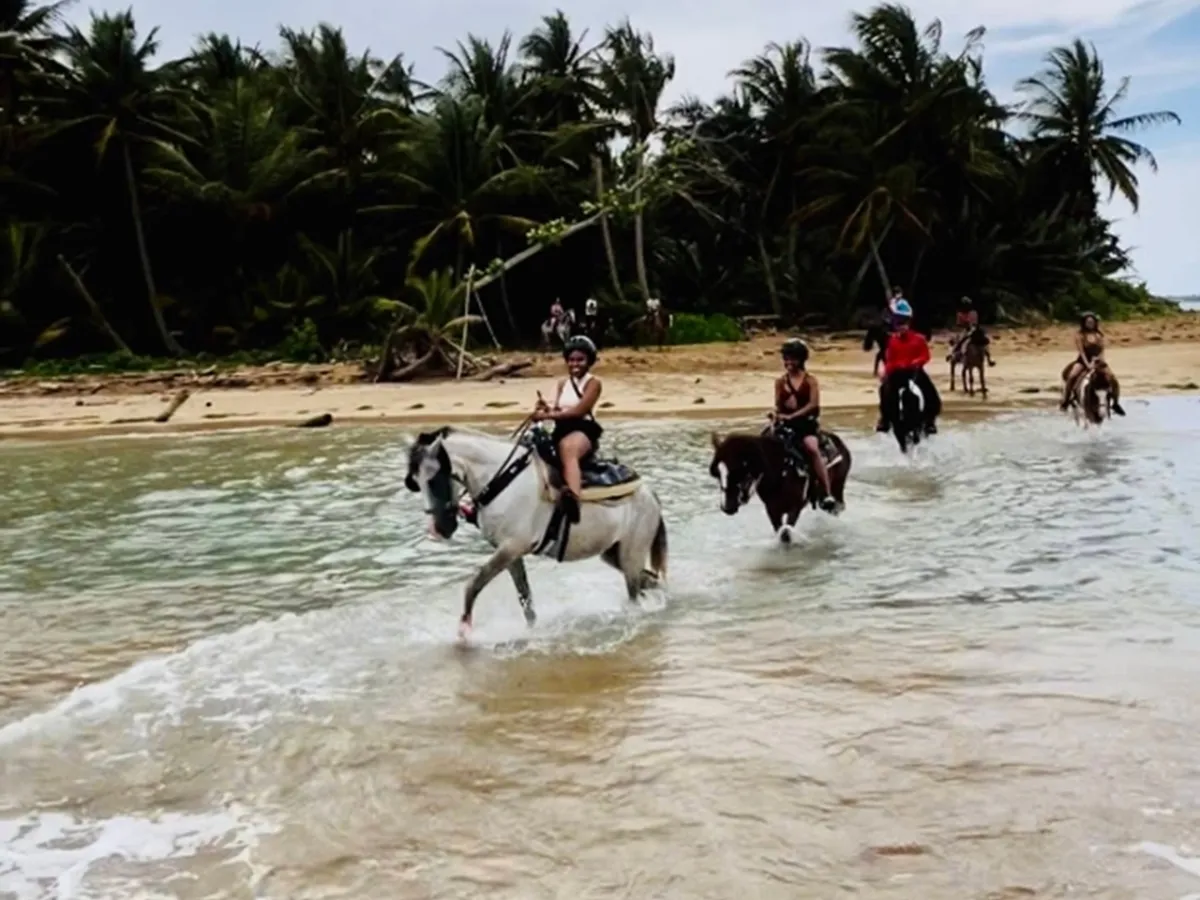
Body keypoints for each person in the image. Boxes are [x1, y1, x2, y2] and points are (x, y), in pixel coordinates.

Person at [533, 335, 603, 523]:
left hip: (583, 428)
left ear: (589, 361)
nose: (575, 364)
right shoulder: (563, 383)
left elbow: (578, 411)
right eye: (571, 360)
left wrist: (548, 416)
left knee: (567, 449)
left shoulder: (593, 383)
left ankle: (573, 499)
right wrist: (544, 408)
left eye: (580, 359)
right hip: (561, 426)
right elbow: (556, 408)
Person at [772, 339, 838, 513]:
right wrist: (776, 416)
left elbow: (813, 404)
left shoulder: (811, 381)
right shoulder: (779, 382)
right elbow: (778, 405)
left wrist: (793, 416)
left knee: (812, 448)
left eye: (792, 359)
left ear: (801, 360)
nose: (788, 363)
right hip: (785, 423)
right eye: (786, 359)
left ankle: (827, 491)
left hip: (805, 425)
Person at [876, 299, 941, 435]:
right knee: (884, 390)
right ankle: (885, 419)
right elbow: (890, 359)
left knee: (931, 394)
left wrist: (916, 362)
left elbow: (925, 356)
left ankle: (930, 421)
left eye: (904, 323)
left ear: (909, 323)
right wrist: (885, 371)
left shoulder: (919, 339)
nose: (901, 326)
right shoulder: (892, 341)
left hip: (914, 371)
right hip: (897, 372)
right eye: (899, 323)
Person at [1060, 312, 1126, 415]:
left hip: (1098, 361)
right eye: (1088, 322)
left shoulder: (1098, 335)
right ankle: (1066, 401)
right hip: (1083, 360)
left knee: (1113, 379)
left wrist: (1100, 361)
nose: (1090, 324)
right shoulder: (1080, 335)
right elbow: (1081, 352)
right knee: (1072, 376)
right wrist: (1088, 364)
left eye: (1092, 322)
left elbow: (1101, 350)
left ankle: (1116, 403)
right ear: (1084, 323)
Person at [949, 296, 995, 366]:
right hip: (965, 329)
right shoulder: (960, 314)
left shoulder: (973, 312)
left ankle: (989, 358)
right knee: (961, 341)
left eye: (968, 305)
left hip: (974, 329)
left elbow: (975, 323)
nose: (967, 307)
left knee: (985, 340)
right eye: (965, 305)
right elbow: (959, 324)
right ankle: (953, 354)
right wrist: (965, 325)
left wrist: (972, 327)